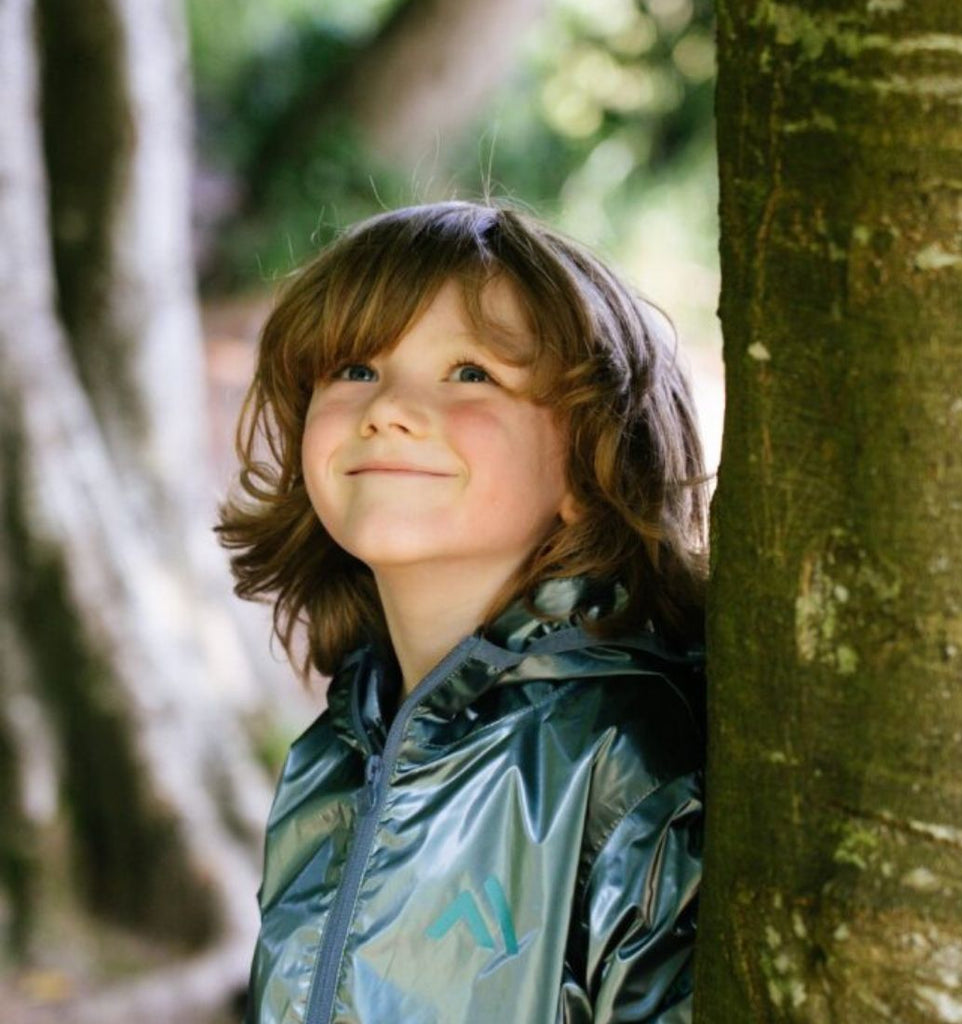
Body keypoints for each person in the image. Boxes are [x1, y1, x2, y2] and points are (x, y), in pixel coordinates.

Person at [218, 200, 709, 1024]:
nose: (387, 408)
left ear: (591, 460)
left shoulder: (627, 758)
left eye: (471, 373)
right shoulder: (335, 748)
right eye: (356, 369)